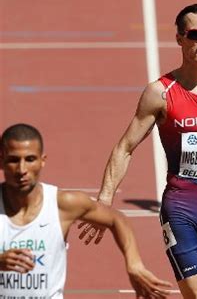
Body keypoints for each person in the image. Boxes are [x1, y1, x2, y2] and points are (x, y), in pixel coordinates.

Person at [79, 3, 197, 299]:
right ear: (179, 38)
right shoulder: (161, 92)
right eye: (196, 34)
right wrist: (104, 198)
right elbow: (125, 148)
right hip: (181, 216)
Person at [0, 123, 172, 298]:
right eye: (13, 160)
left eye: (30, 159)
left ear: (42, 161)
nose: (22, 170)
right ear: (1, 161)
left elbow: (117, 219)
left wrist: (134, 265)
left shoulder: (62, 204)